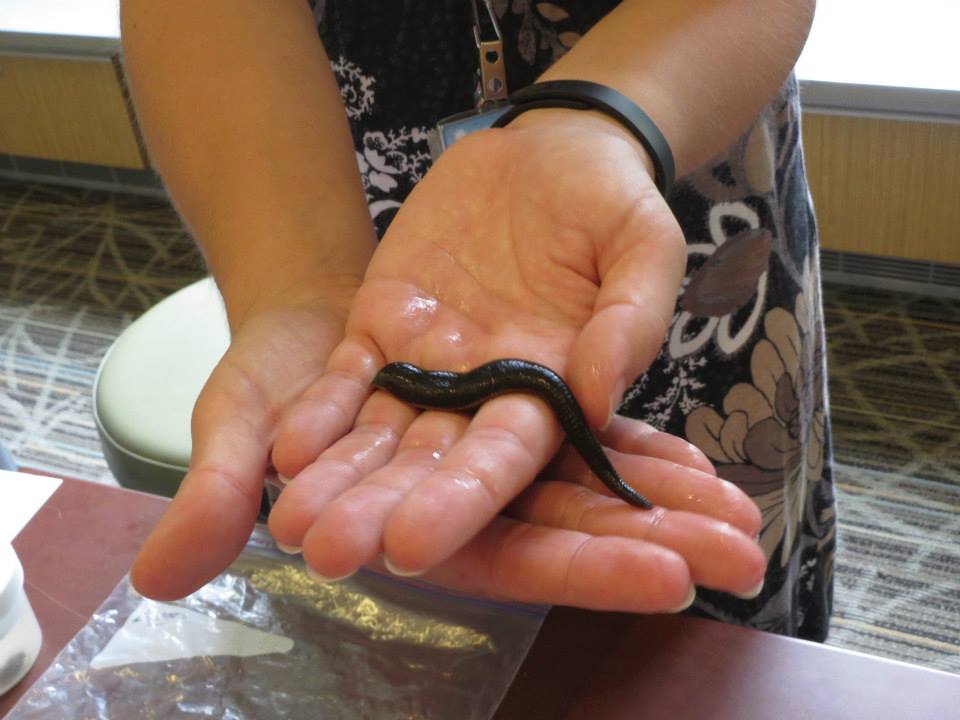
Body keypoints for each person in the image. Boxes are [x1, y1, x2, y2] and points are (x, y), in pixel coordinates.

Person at [119, 0, 835, 640]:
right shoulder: (392, 359)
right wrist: (299, 283)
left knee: (693, 635)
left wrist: (601, 119)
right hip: (342, 185)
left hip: (688, 143)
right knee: (404, 603)